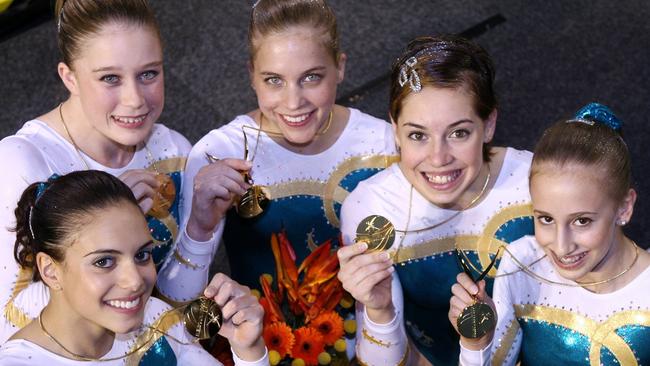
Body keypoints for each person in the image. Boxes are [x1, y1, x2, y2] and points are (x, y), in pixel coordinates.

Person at [0, 0, 216, 343]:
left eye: (149, 73)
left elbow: (178, 310)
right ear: (69, 77)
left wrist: (200, 229)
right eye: (110, 78)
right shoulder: (24, 163)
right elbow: (8, 327)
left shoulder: (174, 152)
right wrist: (104, 220)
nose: (135, 99)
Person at [336, 35, 534, 366]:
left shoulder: (534, 184)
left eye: (459, 133)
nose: (438, 158)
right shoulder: (373, 209)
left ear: (488, 125)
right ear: (395, 131)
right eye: (418, 135)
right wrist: (379, 309)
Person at [182, 0, 396, 289]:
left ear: (340, 68)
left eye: (311, 77)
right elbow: (180, 301)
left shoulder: (383, 144)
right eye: (274, 80)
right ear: (252, 76)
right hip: (255, 332)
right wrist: (199, 225)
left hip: (374, 328)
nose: (294, 102)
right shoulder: (217, 153)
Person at [450, 103, 650, 365]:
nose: (561, 245)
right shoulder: (523, 263)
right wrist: (476, 342)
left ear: (624, 207)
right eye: (546, 219)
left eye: (581, 221)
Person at [0, 170, 268, 365]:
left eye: (142, 255)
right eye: (103, 261)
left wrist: (249, 349)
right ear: (50, 270)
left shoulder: (157, 320)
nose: (135, 282)